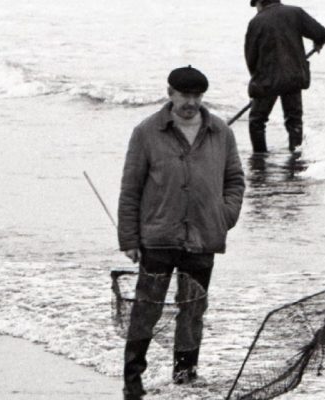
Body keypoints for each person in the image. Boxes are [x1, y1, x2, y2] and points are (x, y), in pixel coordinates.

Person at [117, 66, 245, 400]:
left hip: (203, 237)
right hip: (157, 237)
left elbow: (235, 180)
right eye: (184, 95)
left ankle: (185, 376)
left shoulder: (220, 132)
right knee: (147, 307)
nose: (190, 102)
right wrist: (129, 239)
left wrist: (224, 216)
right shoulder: (146, 132)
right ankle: (133, 378)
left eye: (196, 96)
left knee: (193, 310)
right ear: (170, 93)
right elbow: (130, 189)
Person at [244, 0, 325, 153]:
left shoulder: (256, 22)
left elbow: (251, 57)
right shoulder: (295, 13)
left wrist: (256, 83)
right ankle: (295, 157)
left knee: (257, 121)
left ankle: (259, 158)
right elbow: (320, 33)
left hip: (266, 81)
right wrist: (318, 42)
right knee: (294, 121)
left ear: (260, 2)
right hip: (293, 77)